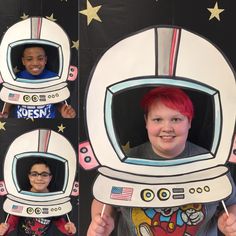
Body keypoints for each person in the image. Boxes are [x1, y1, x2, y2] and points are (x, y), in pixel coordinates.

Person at [87, 86, 236, 236]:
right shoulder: (123, 164)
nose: (167, 128)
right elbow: (105, 199)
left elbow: (230, 203)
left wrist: (228, 222)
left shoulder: (211, 163)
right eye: (157, 119)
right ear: (146, 122)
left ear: (189, 122)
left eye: (176, 119)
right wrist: (102, 221)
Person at [0, 160, 77, 235]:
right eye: (34, 174)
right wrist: (5, 229)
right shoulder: (21, 197)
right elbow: (13, 220)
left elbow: (58, 221)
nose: (39, 178)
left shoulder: (54, 199)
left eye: (44, 174)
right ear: (29, 176)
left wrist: (67, 229)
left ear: (50, 177)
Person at [0, 44, 76, 119]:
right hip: (21, 127)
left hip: (48, 126)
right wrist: (4, 115)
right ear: (23, 61)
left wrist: (64, 112)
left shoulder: (54, 78)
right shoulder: (15, 79)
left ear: (45, 60)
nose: (35, 63)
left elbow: (57, 101)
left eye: (40, 59)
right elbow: (8, 102)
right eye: (29, 59)